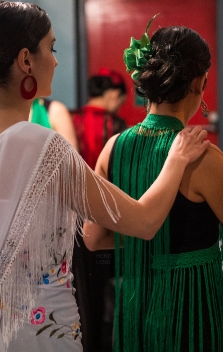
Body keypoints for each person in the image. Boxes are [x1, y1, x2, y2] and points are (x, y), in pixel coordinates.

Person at [0, 1, 209, 352]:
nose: (55, 61)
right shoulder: (40, 146)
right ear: (26, 61)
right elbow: (143, 221)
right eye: (51, 48)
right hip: (37, 333)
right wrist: (176, 159)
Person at [83, 19, 223, 351]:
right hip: (191, 309)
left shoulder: (113, 147)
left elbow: (93, 238)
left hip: (136, 304)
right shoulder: (203, 158)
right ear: (199, 83)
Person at [70, 69, 127, 351]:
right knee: (107, 283)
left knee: (80, 290)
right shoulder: (116, 127)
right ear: (114, 95)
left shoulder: (69, 119)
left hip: (72, 218)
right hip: (104, 215)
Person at [71, 67, 127, 170]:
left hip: (74, 182)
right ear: (115, 94)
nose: (119, 109)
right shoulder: (116, 124)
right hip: (105, 184)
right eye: (121, 103)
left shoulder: (70, 118)